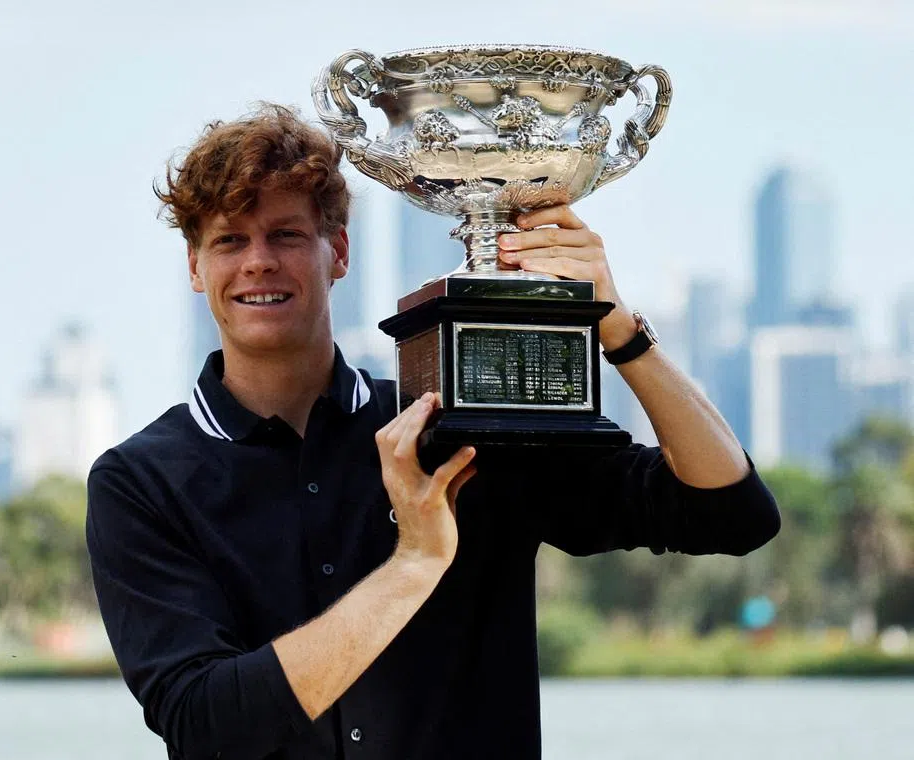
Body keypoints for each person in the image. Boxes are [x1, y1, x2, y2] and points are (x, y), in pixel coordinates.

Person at [85, 104, 780, 760]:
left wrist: (618, 326)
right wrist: (415, 562)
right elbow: (207, 726)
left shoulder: (463, 429)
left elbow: (732, 512)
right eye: (230, 240)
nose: (258, 261)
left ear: (339, 252)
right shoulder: (142, 482)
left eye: (287, 234)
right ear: (195, 268)